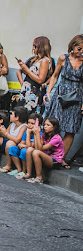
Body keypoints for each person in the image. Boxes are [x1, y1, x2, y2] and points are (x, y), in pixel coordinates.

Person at [44, 34, 83, 167]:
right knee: (54, 124)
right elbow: (55, 76)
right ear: (72, 46)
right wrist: (49, 91)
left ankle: (61, 158)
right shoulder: (63, 58)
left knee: (71, 128)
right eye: (79, 48)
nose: (81, 52)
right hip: (61, 95)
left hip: (77, 97)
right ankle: (48, 154)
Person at [17, 36, 53, 113]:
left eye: (35, 46)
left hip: (34, 93)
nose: (33, 48)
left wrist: (27, 69)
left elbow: (40, 79)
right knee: (19, 114)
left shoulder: (45, 61)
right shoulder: (35, 59)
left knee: (28, 115)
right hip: (26, 91)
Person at [26, 117, 65, 184]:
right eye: (45, 125)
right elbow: (37, 146)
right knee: (30, 149)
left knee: (36, 152)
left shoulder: (56, 138)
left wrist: (37, 134)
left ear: (54, 127)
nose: (45, 127)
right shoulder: (44, 135)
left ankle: (39, 177)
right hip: (46, 156)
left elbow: (40, 149)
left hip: (55, 161)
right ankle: (28, 173)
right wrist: (36, 134)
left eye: (48, 125)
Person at [0, 106, 29, 174]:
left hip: (15, 145)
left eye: (12, 114)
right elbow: (6, 134)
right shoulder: (12, 124)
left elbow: (17, 140)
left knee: (10, 143)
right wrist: (1, 132)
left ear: (17, 118)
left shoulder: (24, 126)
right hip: (8, 142)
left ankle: (9, 165)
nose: (10, 115)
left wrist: (6, 134)